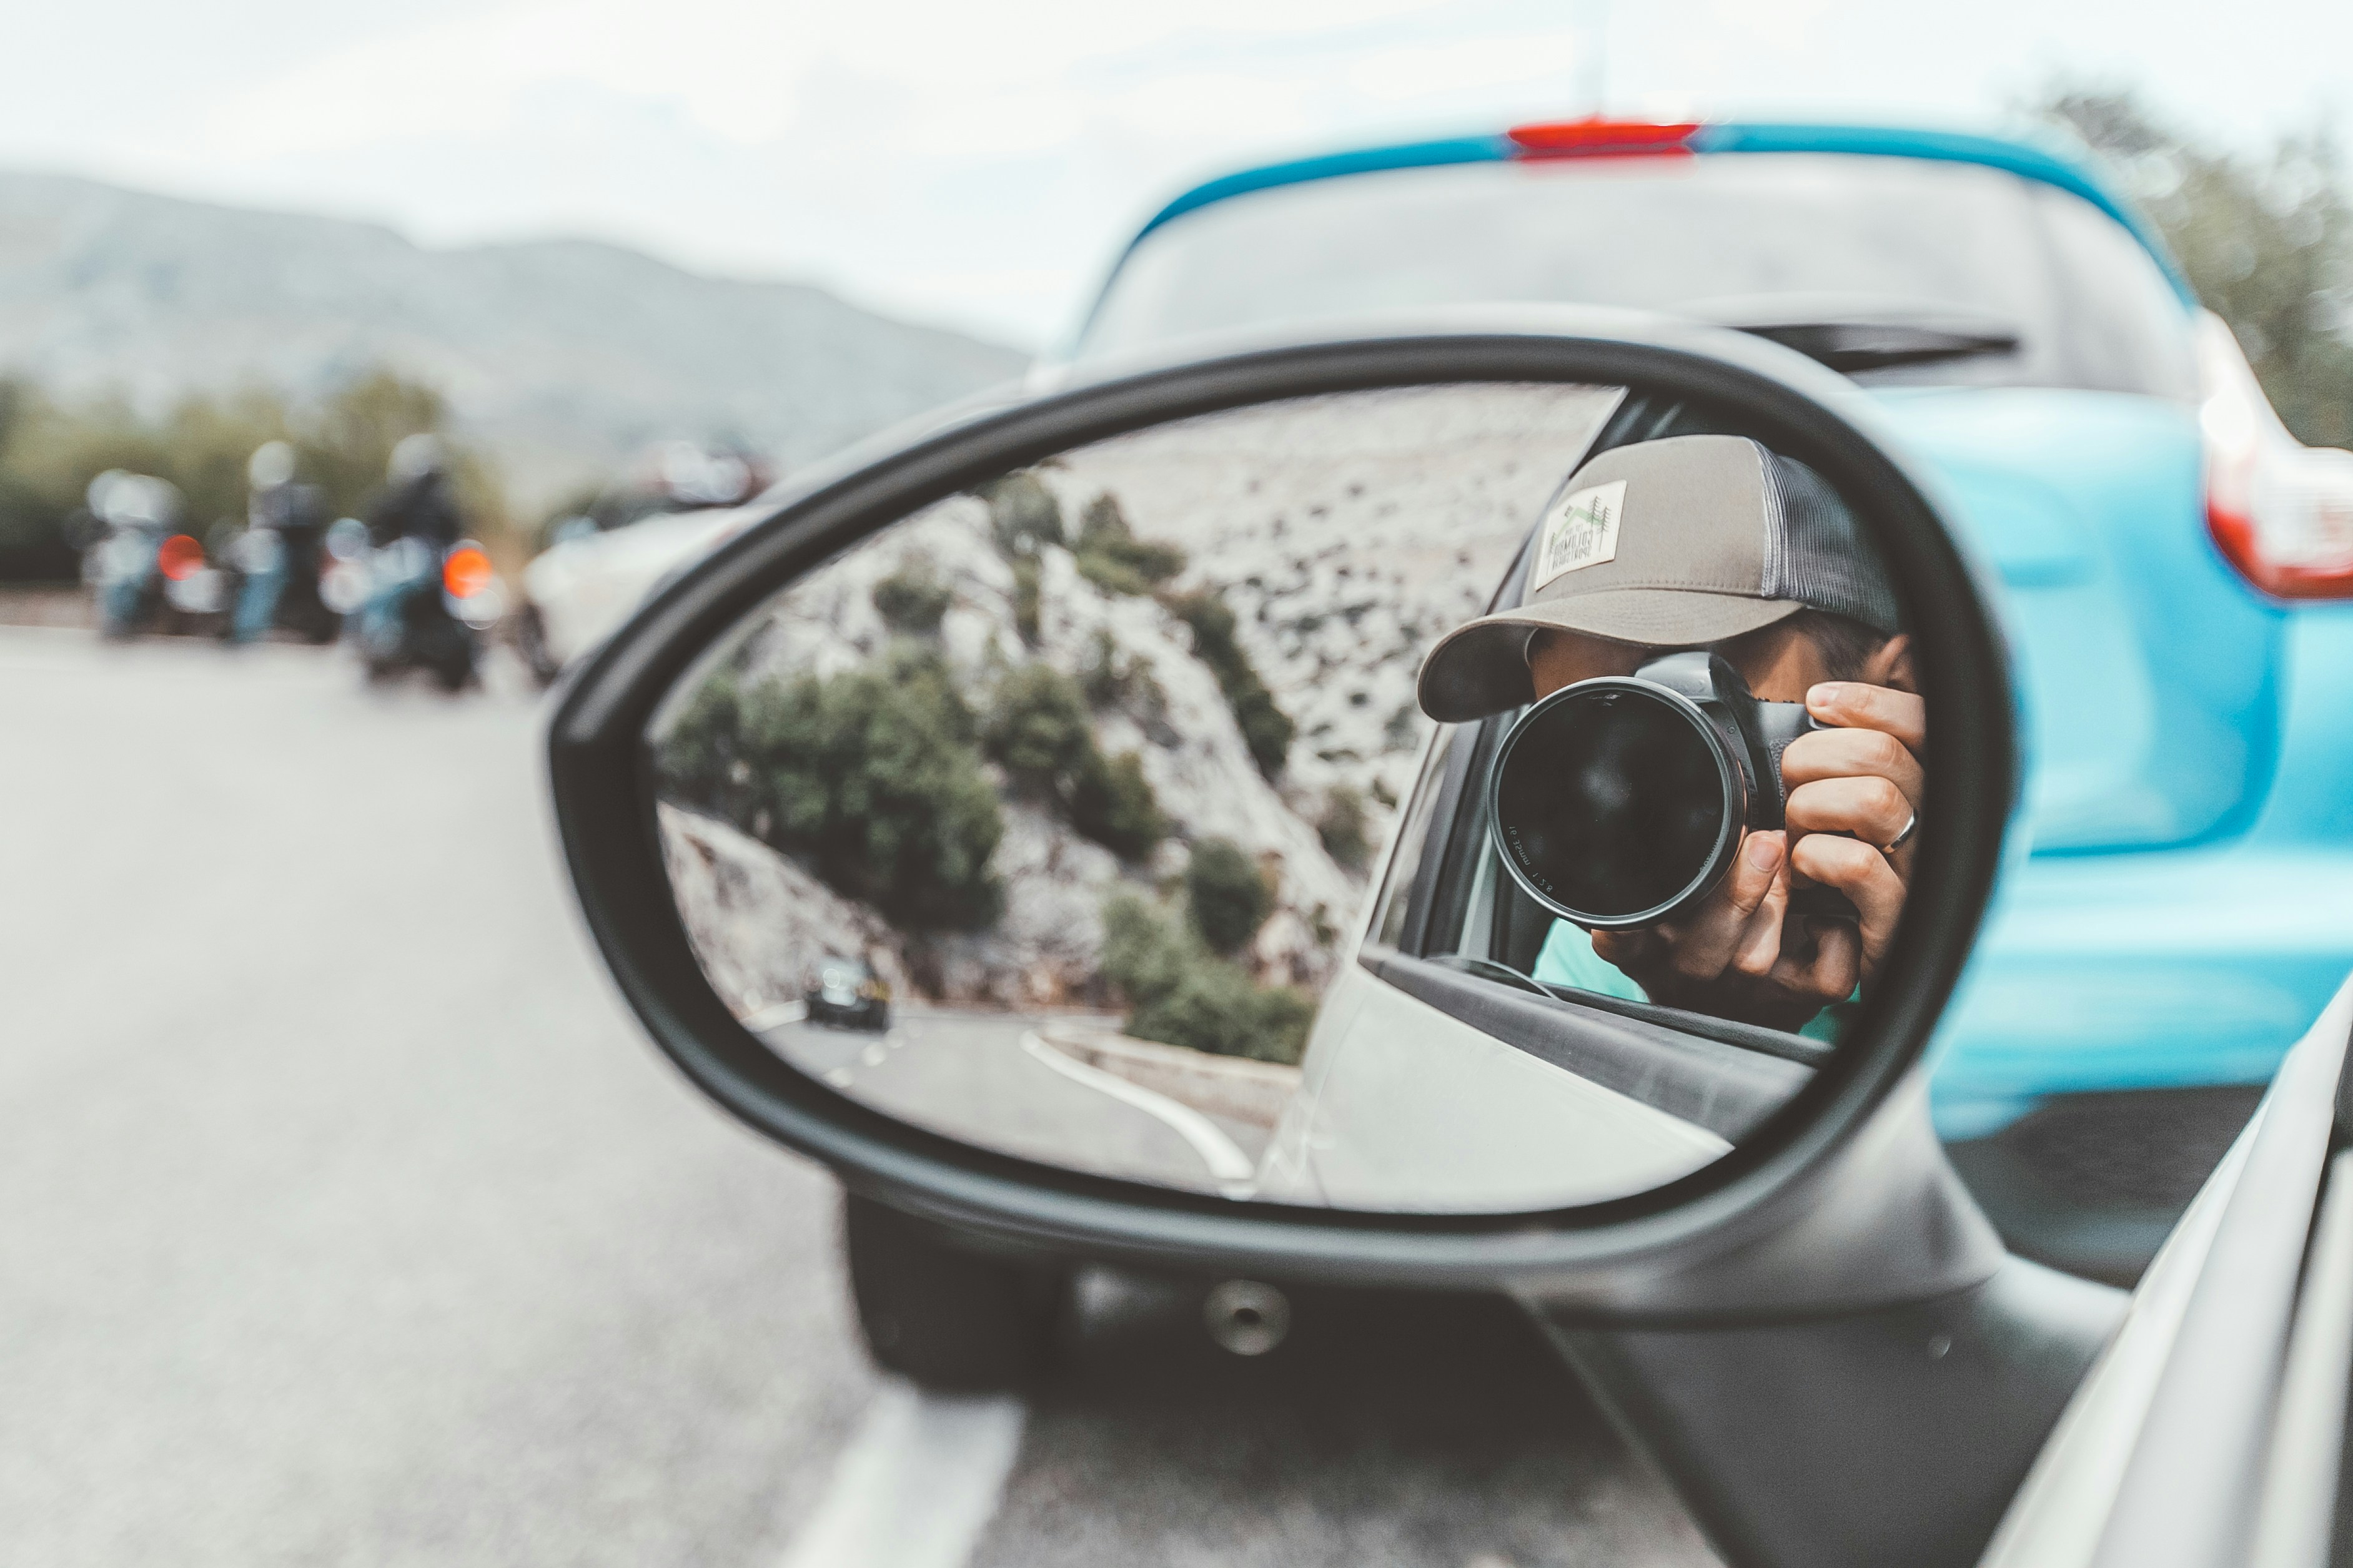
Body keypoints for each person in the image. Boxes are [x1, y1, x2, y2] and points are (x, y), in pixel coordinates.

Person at [1415, 434, 1921, 1038]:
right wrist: (1691, 1023)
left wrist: (1926, 951)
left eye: (1684, 717)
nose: (1621, 794)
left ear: (1891, 696)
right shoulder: (1598, 953)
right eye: (1571, 746)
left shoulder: (2015, 916)